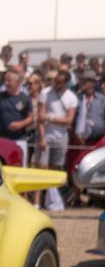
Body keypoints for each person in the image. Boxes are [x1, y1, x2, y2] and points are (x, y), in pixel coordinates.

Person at [41, 70, 77, 210]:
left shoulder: (71, 97)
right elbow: (41, 116)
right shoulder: (46, 93)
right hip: (46, 136)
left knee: (55, 168)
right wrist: (55, 120)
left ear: (66, 82)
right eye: (55, 81)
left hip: (61, 137)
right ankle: (47, 199)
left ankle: (54, 199)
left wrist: (51, 118)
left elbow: (69, 120)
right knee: (43, 167)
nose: (55, 84)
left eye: (59, 82)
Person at [0, 68, 35, 163]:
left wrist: (21, 124)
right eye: (5, 80)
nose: (6, 83)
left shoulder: (24, 98)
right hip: (0, 138)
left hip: (18, 139)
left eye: (9, 81)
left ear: (18, 82)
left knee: (19, 166)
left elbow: (31, 117)